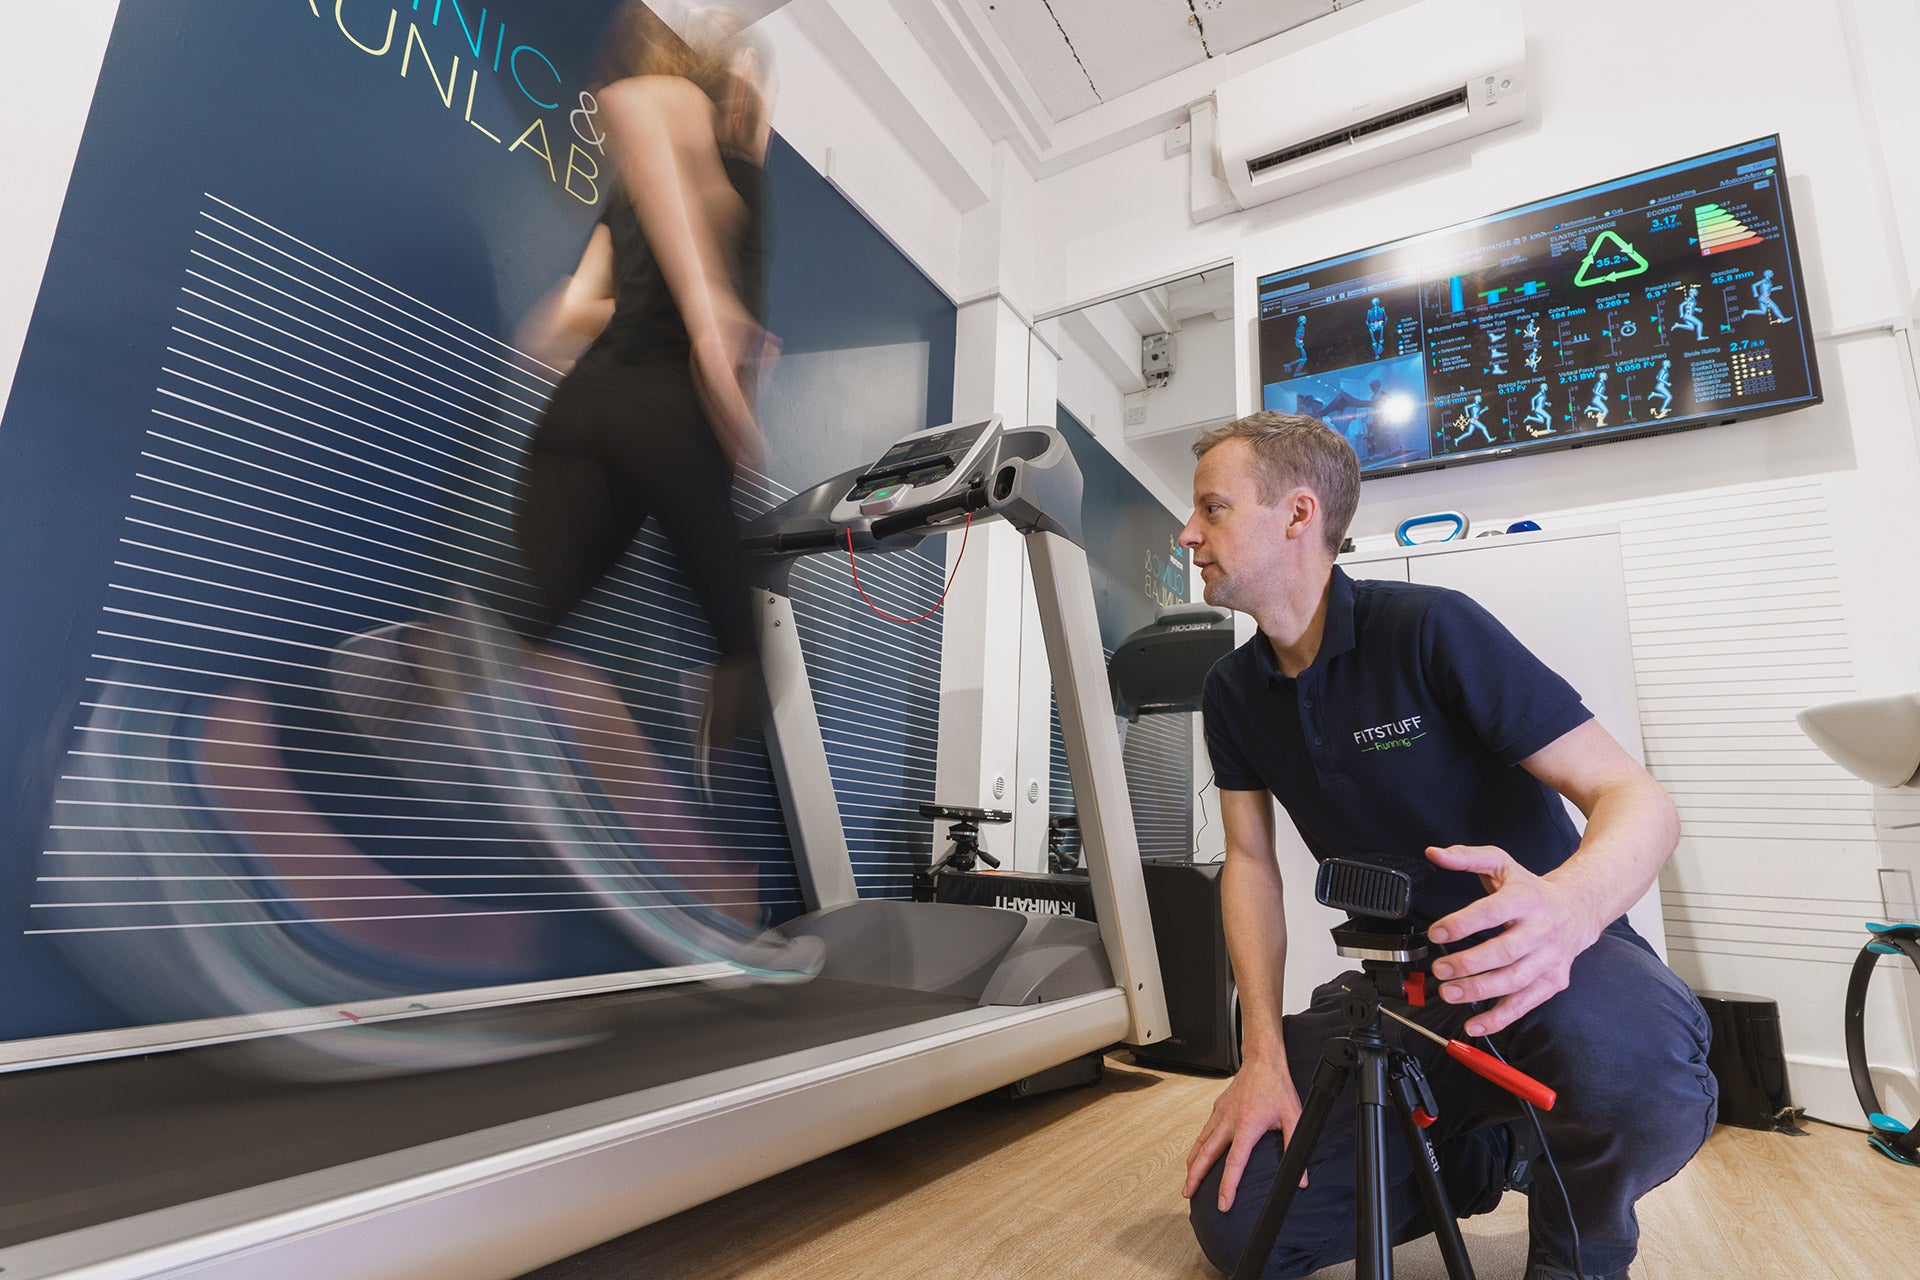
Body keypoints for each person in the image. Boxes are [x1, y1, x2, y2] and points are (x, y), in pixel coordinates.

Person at [1176, 412, 1715, 1280]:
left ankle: (1579, 1241)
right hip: (1401, 992)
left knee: (1636, 1082)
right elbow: (1249, 865)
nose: (1188, 532)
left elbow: (1637, 799)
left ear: (1297, 514)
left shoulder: (1430, 628)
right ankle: (1493, 1150)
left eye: (1212, 507)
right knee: (1247, 1227)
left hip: (1549, 961)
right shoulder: (1232, 692)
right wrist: (1262, 1056)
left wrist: (1568, 908)